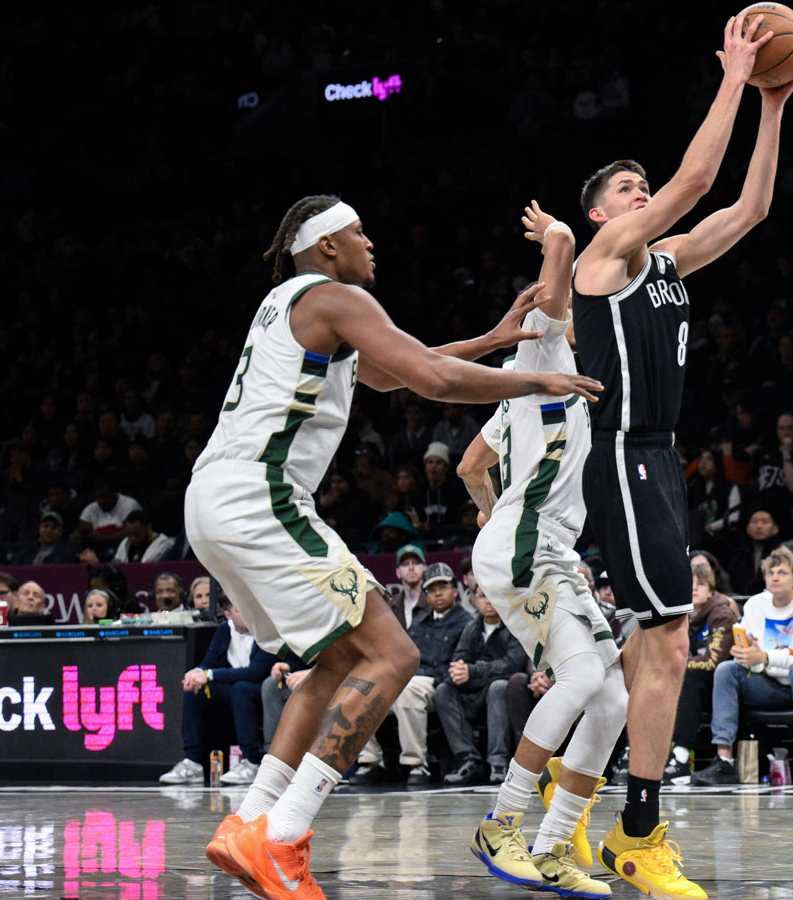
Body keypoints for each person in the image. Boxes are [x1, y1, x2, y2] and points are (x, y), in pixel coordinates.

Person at [185, 195, 601, 898]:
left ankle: (251, 821)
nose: (370, 244)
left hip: (215, 498)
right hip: (261, 494)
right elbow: (431, 381)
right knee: (395, 654)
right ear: (326, 248)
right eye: (358, 233)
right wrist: (540, 377)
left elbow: (389, 372)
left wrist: (497, 339)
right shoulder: (335, 297)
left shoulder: (298, 305)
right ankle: (283, 838)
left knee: (342, 656)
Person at [567, 17, 793, 892]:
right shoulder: (604, 258)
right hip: (623, 454)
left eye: (643, 188)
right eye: (629, 188)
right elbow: (700, 176)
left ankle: (584, 804)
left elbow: (746, 208)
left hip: (662, 461)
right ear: (599, 214)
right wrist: (737, 78)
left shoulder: (664, 261)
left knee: (652, 645)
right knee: (670, 640)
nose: (643, 195)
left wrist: (774, 106)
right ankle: (637, 827)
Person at [455, 204, 627, 896]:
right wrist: (560, 240)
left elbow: (471, 465)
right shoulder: (540, 352)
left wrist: (494, 516)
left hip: (538, 544)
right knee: (584, 678)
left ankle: (554, 845)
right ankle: (502, 821)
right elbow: (553, 294)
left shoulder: (521, 395)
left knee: (611, 698)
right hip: (529, 545)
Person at [692, 547, 793, 786]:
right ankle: (724, 761)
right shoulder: (755, 605)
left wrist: (764, 657)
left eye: (782, 572)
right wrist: (745, 654)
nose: (774, 577)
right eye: (770, 572)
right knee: (727, 670)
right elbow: (754, 655)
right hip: (772, 684)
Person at [349, 562, 473, 787]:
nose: (437, 593)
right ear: (425, 595)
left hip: (442, 684)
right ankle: (370, 761)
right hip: (413, 680)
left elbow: (458, 667)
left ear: (455, 591)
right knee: (367, 690)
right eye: (431, 589)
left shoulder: (466, 623)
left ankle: (417, 764)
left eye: (442, 587)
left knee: (408, 691)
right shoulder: (418, 624)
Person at [159, 588, 275, 787]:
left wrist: (209, 675)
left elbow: (256, 672)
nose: (247, 614)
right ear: (228, 615)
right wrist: (196, 673)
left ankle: (252, 761)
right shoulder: (224, 630)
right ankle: (192, 763)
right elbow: (209, 662)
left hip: (261, 689)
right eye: (240, 611)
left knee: (241, 687)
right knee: (195, 691)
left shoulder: (265, 631)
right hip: (235, 689)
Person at [435, 585, 528, 785]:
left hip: (500, 691)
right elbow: (460, 658)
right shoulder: (472, 628)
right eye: (483, 596)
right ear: (474, 600)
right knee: (443, 691)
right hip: (475, 690)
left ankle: (498, 762)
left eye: (493, 595)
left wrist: (473, 671)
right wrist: (458, 672)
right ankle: (468, 759)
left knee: (498, 687)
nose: (488, 601)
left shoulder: (514, 625)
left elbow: (512, 663)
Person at [664, 562, 739, 784]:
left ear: (711, 589)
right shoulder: (677, 615)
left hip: (719, 686)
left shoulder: (721, 614)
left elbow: (713, 661)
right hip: (684, 682)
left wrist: (678, 666)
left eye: (701, 584)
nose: (694, 588)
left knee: (690, 675)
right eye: (690, 583)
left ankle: (681, 758)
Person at [113, 509, 177, 563]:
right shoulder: (125, 544)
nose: (133, 538)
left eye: (137, 534)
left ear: (148, 528)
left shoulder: (164, 545)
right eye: (129, 534)